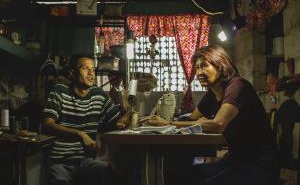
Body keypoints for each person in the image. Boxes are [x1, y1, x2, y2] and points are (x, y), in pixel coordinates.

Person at [144, 45, 279, 185]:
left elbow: (217, 125)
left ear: (220, 66)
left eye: (204, 66)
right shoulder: (213, 93)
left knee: (191, 179)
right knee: (181, 174)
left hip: (258, 164)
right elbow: (191, 118)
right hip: (235, 159)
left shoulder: (237, 86)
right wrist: (186, 121)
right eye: (197, 68)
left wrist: (168, 124)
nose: (198, 73)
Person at [42, 53, 130, 185]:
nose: (91, 73)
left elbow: (118, 121)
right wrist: (79, 133)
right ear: (72, 73)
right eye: (85, 68)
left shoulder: (98, 95)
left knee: (116, 176)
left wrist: (127, 107)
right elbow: (47, 124)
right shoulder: (60, 91)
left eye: (93, 69)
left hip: (86, 162)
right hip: (61, 162)